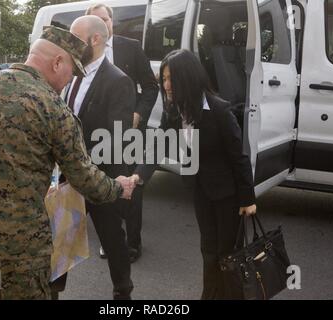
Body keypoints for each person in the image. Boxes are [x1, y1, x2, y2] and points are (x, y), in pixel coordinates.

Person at [0, 26, 135, 300]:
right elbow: (82, 176)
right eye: (71, 71)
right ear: (57, 62)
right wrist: (117, 187)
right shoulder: (52, 108)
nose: (69, 80)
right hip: (22, 251)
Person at [132, 49, 257, 300]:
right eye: (163, 79)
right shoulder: (175, 110)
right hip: (201, 190)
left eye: (170, 79)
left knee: (228, 253)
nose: (166, 85)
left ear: (187, 78)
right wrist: (138, 176)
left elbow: (239, 157)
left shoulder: (220, 110)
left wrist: (248, 199)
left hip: (229, 195)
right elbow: (157, 145)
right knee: (208, 250)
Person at [54, 16, 136, 300]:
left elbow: (118, 137)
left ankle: (122, 293)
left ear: (96, 40)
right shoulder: (70, 74)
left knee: (113, 240)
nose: (71, 44)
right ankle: (53, 290)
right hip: (69, 177)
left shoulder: (118, 81)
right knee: (61, 237)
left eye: (77, 38)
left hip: (102, 177)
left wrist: (96, 175)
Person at [86, 3, 159, 263]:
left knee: (131, 187)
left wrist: (139, 113)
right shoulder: (82, 51)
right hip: (95, 136)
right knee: (103, 187)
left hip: (129, 131)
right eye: (96, 21)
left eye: (105, 19)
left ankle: (133, 244)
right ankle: (110, 240)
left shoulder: (130, 47)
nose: (102, 24)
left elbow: (151, 87)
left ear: (112, 22)